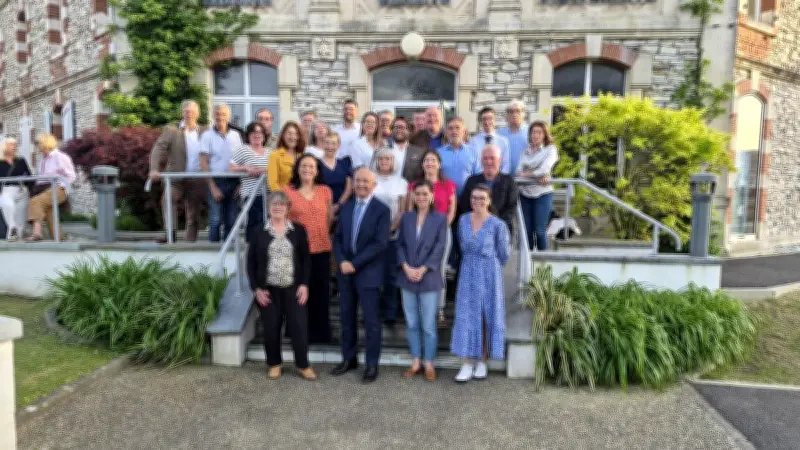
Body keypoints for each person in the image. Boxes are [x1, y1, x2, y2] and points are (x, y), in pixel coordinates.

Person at [246, 191, 317, 381]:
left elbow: (306, 260)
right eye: (274, 204)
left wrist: (304, 284)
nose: (277, 207)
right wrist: (256, 289)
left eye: (281, 204)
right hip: (268, 291)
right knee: (271, 329)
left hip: (294, 289)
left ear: (288, 208)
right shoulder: (258, 231)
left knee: (299, 328)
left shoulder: (298, 231)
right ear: (268, 208)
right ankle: (274, 364)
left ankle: (303, 365)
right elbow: (250, 263)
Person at [330, 167, 390, 383]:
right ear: (353, 183)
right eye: (358, 180)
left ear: (374, 185)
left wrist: (353, 264)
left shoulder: (382, 210)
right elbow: (337, 238)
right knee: (346, 318)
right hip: (345, 273)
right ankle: (349, 359)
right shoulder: (347, 207)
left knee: (371, 321)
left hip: (368, 273)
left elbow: (380, 244)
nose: (362, 184)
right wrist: (342, 261)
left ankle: (371, 364)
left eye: (366, 181)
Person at [451, 183, 510, 382]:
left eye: (482, 198)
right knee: (466, 315)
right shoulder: (462, 220)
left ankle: (483, 361)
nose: (477, 201)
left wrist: (489, 264)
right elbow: (462, 245)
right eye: (474, 197)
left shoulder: (498, 225)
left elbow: (504, 254)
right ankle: (467, 362)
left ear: (489, 200)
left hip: (489, 273)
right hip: (468, 270)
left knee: (486, 316)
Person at [396, 181, 447, 381]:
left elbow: (439, 247)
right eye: (418, 194)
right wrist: (406, 267)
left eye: (425, 193)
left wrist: (423, 269)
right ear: (413, 196)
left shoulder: (440, 219)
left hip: (429, 277)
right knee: (412, 322)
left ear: (432, 196)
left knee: (428, 324)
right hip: (407, 276)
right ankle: (416, 361)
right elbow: (399, 245)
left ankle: (429, 363)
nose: (421, 197)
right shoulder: (406, 218)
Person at [284, 155, 334, 344]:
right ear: (297, 169)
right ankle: (298, 332)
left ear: (317, 171)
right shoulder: (288, 191)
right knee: (298, 293)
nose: (307, 169)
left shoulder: (325, 191)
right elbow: (283, 221)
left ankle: (320, 334)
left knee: (321, 292)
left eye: (311, 166)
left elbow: (329, 218)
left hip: (321, 248)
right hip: (297, 251)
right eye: (304, 166)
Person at [407, 150, 457, 325]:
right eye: (427, 160)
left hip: (442, 232)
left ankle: (439, 308)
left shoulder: (448, 185)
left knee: (439, 269)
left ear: (439, 164)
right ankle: (422, 308)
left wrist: (441, 229)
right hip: (419, 232)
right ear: (422, 164)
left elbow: (452, 210)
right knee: (419, 267)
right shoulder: (414, 185)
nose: (430, 163)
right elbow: (410, 210)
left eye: (433, 160)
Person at [149, 99, 208, 243]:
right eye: (186, 111)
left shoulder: (205, 131)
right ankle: (170, 234)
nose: (189, 114)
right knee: (167, 200)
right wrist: (154, 169)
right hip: (175, 177)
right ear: (182, 113)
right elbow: (158, 149)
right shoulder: (171, 130)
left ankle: (190, 241)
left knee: (193, 211)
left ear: (198, 114)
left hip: (197, 178)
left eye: (192, 112)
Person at [372, 148, 408, 327]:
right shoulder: (370, 179)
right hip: (371, 235)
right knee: (371, 274)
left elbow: (402, 210)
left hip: (392, 235)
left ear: (393, 162)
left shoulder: (401, 182)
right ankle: (372, 312)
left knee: (391, 275)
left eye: (388, 158)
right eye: (381, 158)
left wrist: (390, 229)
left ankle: (390, 312)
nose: (384, 161)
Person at [200, 104, 243, 242]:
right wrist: (212, 187)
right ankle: (213, 251)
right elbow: (203, 162)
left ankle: (229, 250)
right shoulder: (207, 135)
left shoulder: (236, 135)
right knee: (215, 219)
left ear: (228, 116)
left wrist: (241, 184)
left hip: (234, 181)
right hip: (216, 181)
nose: (220, 117)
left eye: (223, 114)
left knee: (232, 219)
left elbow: (241, 159)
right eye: (218, 114)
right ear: (213, 116)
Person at [459, 144, 519, 238]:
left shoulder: (509, 181)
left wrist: (493, 224)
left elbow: (511, 208)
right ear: (481, 161)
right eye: (485, 158)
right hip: (475, 229)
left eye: (492, 158)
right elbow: (464, 206)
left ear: (500, 160)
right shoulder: (471, 181)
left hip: (501, 230)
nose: (489, 162)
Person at [516, 120, 559, 251]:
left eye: (539, 133)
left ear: (545, 135)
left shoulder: (550, 149)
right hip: (525, 193)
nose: (536, 135)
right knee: (527, 232)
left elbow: (544, 169)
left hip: (543, 193)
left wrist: (527, 173)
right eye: (534, 132)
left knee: (540, 231)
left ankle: (543, 261)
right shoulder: (525, 151)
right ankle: (528, 260)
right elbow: (518, 171)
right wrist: (536, 174)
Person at [25, 134, 76, 241]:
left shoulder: (60, 157)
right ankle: (59, 239)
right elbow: (41, 178)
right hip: (44, 190)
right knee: (50, 212)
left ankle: (37, 233)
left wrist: (61, 186)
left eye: (39, 145)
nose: (38, 148)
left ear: (45, 144)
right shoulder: (42, 161)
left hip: (58, 189)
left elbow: (71, 176)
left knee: (36, 201)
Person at [229, 121, 271, 239]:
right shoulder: (244, 149)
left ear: (264, 135)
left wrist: (263, 170)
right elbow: (231, 167)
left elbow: (274, 169)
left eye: (260, 132)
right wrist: (246, 168)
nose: (257, 135)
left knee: (267, 224)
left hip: (268, 194)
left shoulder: (270, 152)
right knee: (254, 222)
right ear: (248, 135)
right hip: (251, 194)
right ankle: (251, 247)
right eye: (253, 132)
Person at [437, 116, 481, 196]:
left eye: (458, 128)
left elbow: (478, 177)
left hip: (468, 198)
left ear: (464, 131)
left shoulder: (473, 152)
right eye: (450, 128)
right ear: (446, 132)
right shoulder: (438, 153)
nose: (454, 131)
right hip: (445, 198)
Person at [0, 137, 32, 241]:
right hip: (6, 190)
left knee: (21, 220)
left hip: (22, 190)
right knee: (8, 206)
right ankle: (12, 228)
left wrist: (31, 189)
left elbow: (29, 175)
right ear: (4, 147)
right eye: (11, 145)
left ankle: (16, 239)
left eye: (15, 144)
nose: (14, 147)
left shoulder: (21, 160)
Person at [319, 132, 353, 218]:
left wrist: (338, 205)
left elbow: (349, 188)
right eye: (327, 143)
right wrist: (328, 208)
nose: (330, 146)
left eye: (333, 143)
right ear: (322, 144)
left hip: (343, 209)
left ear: (338, 145)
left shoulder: (344, 163)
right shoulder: (316, 164)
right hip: (321, 209)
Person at [471, 106, 511, 174]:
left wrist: (499, 177)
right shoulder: (473, 142)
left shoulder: (504, 141)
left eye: (490, 118)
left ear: (494, 120)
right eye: (484, 119)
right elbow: (474, 164)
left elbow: (506, 164)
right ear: (480, 122)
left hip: (499, 178)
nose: (487, 122)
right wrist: (483, 177)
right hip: (479, 178)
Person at [268, 121, 306, 192]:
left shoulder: (302, 156)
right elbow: (273, 184)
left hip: (302, 195)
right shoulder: (275, 156)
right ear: (283, 135)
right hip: (283, 196)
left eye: (296, 134)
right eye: (289, 133)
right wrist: (284, 196)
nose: (293, 137)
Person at [385, 116, 425, 183]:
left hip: (410, 188)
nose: (399, 130)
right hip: (387, 188)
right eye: (396, 127)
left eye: (402, 127)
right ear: (391, 130)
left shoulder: (419, 152)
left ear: (408, 131)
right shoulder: (383, 150)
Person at [497, 100, 529, 175]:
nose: (514, 114)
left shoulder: (531, 132)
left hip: (526, 178)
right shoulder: (499, 134)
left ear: (523, 114)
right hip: (504, 178)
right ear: (507, 115)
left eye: (518, 111)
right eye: (511, 112)